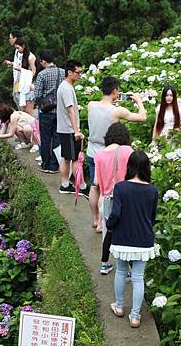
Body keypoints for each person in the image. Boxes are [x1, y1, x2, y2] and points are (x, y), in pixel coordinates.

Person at [87, 76, 147, 231]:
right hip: (109, 152)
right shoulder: (117, 111)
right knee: (110, 188)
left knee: (95, 187)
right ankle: (106, 219)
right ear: (115, 91)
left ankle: (96, 219)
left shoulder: (91, 105)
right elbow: (142, 117)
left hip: (92, 150)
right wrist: (139, 101)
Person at [106, 151, 158, 328]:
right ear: (146, 168)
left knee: (121, 271)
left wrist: (110, 225)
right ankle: (135, 316)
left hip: (122, 237)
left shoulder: (121, 187)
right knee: (138, 277)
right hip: (144, 239)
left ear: (129, 166)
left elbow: (116, 213)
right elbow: (152, 217)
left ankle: (119, 306)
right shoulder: (152, 190)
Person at [93, 124, 134, 274]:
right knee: (126, 234)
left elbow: (96, 182)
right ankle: (128, 269)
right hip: (125, 199)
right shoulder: (127, 151)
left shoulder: (99, 155)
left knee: (107, 231)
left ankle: (105, 264)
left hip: (106, 199)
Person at [56, 59, 88, 195]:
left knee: (67, 157)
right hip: (69, 129)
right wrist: (76, 131)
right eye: (78, 72)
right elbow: (70, 111)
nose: (80, 75)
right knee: (74, 159)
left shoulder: (65, 86)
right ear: (69, 72)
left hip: (65, 128)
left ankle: (65, 183)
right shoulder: (67, 89)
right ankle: (81, 186)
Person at [34, 50, 64, 174]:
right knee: (57, 138)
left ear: (44, 61)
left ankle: (45, 164)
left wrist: (40, 104)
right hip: (60, 111)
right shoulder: (63, 72)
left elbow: (37, 95)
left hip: (46, 111)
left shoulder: (42, 74)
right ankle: (55, 166)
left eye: (41, 61)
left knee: (45, 138)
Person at [12, 39, 37, 115]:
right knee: (23, 110)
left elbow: (34, 72)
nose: (17, 50)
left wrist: (21, 70)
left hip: (29, 85)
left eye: (18, 48)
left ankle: (33, 126)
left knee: (29, 111)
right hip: (21, 84)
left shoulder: (30, 57)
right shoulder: (21, 56)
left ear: (23, 46)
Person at [3, 28, 24, 107]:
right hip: (17, 81)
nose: (9, 40)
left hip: (21, 82)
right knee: (16, 98)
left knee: (21, 103)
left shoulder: (22, 51)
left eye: (10, 38)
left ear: (15, 38)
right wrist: (11, 63)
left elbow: (22, 66)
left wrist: (12, 65)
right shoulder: (16, 50)